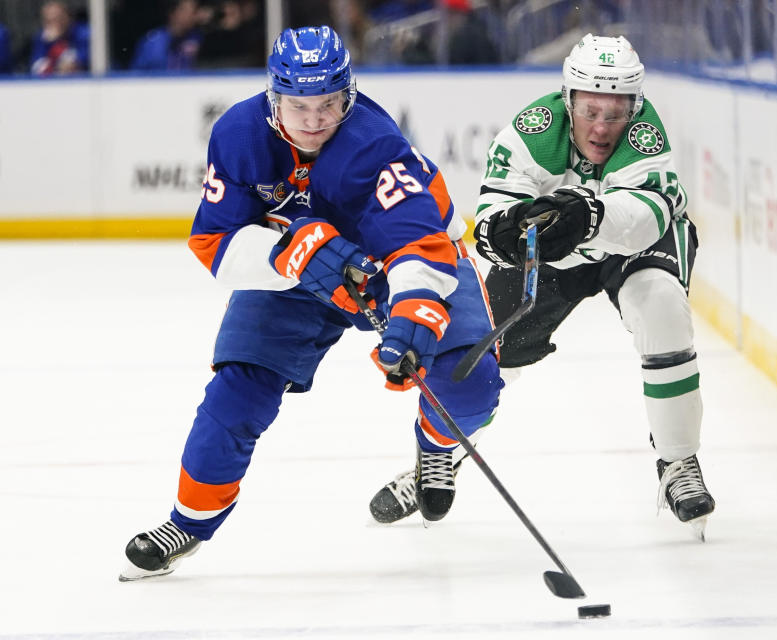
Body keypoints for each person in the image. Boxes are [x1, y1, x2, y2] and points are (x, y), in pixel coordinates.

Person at [118, 25, 502, 581]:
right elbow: (215, 243)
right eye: (300, 104)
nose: (315, 118)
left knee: (469, 383)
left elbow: (419, 241)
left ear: (348, 94)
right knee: (237, 390)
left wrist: (416, 308)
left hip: (399, 267)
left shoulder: (374, 143)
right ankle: (189, 521)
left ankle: (437, 448)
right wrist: (289, 253)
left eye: (329, 103)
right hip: (295, 280)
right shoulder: (238, 135)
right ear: (275, 95)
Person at [369, 33, 716, 540]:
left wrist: (589, 214)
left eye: (615, 113)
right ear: (568, 99)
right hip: (555, 253)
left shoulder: (646, 134)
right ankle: (438, 456)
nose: (602, 127)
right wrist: (507, 234)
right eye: (591, 110)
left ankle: (678, 462)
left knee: (660, 305)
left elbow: (644, 220)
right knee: (484, 354)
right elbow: (488, 225)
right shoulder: (531, 133)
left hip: (631, 243)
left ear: (633, 107)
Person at [129, 0, 203, 71]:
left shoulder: (197, 38)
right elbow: (135, 76)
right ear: (174, 12)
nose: (195, 16)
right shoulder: (151, 42)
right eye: (191, 11)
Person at [29, 1, 89, 76]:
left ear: (68, 17)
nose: (54, 24)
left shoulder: (82, 34)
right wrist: (50, 44)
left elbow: (79, 63)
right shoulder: (41, 39)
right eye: (48, 21)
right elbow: (37, 69)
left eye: (58, 18)